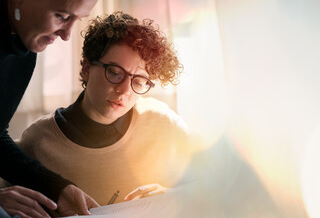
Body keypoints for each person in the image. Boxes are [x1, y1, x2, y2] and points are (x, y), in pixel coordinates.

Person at [18, 12, 195, 206]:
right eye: (115, 72)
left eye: (140, 81)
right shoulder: (38, 141)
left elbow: (209, 186)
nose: (124, 90)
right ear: (86, 68)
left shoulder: (162, 123)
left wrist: (170, 195)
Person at [0, 0, 106, 217]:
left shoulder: (22, 51)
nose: (67, 35)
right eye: (61, 16)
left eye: (77, 20)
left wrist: (59, 188)